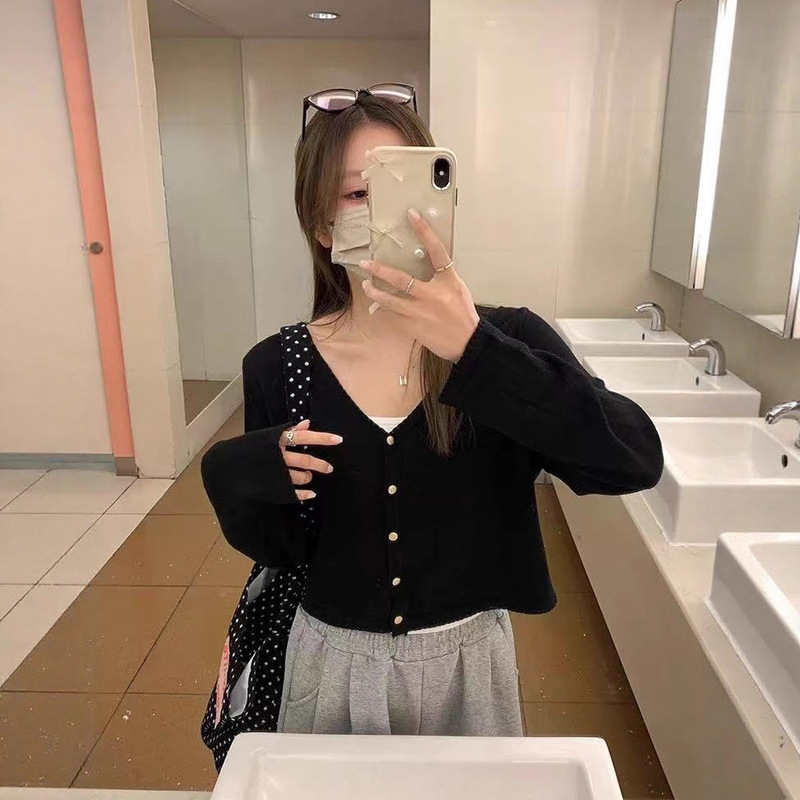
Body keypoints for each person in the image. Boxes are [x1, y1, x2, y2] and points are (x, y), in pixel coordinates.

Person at [201, 85, 663, 738]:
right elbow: (279, 546)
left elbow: (631, 460)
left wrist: (478, 352)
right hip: (330, 664)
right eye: (360, 193)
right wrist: (237, 473)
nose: (394, 214)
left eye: (410, 189)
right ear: (322, 226)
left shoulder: (508, 341)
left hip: (468, 671)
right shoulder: (278, 365)